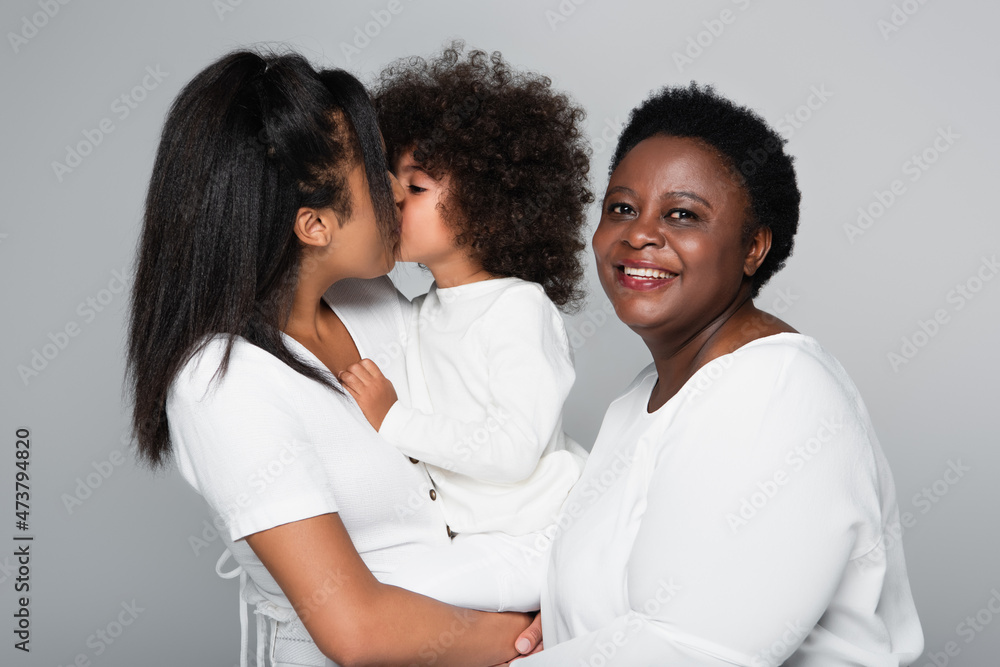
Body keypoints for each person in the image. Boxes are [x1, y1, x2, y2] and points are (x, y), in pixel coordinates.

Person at [126, 49, 533, 667]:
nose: (397, 189)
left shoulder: (370, 298)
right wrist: (539, 635)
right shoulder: (223, 383)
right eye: (374, 170)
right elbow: (357, 630)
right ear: (314, 225)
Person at [509, 84, 924, 665]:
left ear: (753, 247)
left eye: (682, 215)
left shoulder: (777, 391)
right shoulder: (638, 401)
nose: (639, 234)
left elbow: (692, 650)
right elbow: (623, 615)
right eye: (622, 208)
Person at [338, 44, 592, 614]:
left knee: (367, 598)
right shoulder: (422, 309)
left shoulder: (518, 310)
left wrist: (392, 419)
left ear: (487, 201)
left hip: (544, 536)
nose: (393, 199)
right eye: (390, 184)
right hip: (479, 540)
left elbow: (510, 453)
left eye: (417, 186)